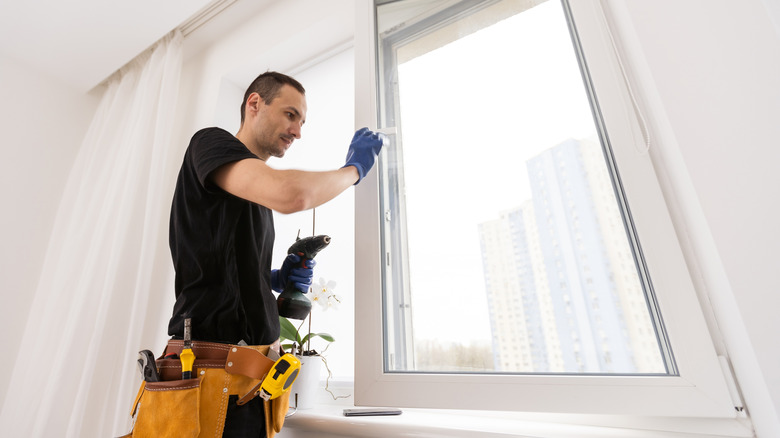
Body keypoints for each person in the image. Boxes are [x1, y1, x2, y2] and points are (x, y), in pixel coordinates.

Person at [165, 71, 383, 437]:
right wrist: (354, 170)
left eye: (302, 121)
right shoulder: (209, 144)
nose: (297, 130)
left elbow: (222, 269)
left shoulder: (253, 197)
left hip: (251, 385)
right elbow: (292, 195)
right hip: (212, 375)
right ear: (254, 104)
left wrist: (274, 280)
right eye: (290, 114)